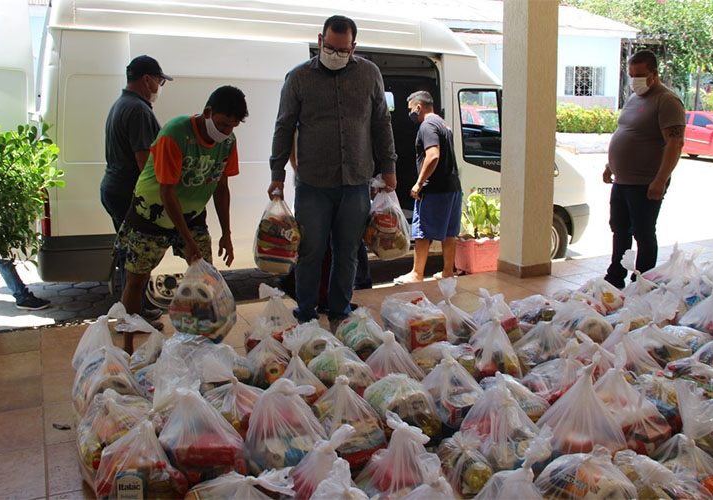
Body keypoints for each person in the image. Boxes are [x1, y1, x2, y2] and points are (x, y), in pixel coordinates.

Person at [268, 15, 396, 331]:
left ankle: (339, 311)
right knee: (310, 252)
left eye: (343, 50)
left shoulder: (369, 74)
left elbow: (381, 123)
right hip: (313, 184)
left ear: (353, 47)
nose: (335, 54)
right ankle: (307, 314)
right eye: (329, 47)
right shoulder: (298, 78)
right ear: (320, 40)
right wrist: (277, 174)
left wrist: (389, 167)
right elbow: (284, 127)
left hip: (356, 182)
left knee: (348, 252)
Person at [115, 86, 248, 353]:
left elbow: (221, 188)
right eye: (222, 124)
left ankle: (204, 345)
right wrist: (187, 241)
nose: (225, 132)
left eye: (232, 127)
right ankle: (127, 347)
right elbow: (167, 190)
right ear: (208, 112)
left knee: (205, 279)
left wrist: (227, 234)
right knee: (137, 280)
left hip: (192, 213)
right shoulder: (175, 133)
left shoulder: (227, 142)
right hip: (151, 213)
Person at [603, 50, 685, 289]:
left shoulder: (666, 100)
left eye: (640, 75)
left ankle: (643, 281)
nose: (635, 80)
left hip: (646, 182)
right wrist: (611, 165)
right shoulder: (634, 99)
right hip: (622, 179)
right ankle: (614, 277)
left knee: (643, 233)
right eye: (631, 75)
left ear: (654, 73)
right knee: (619, 229)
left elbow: (675, 143)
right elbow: (628, 133)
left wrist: (661, 179)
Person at [102, 55, 171, 323]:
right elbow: (145, 163)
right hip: (127, 192)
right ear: (147, 79)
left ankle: (136, 309)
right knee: (135, 256)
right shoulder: (139, 110)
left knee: (130, 254)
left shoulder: (123, 104)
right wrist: (161, 196)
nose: (159, 86)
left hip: (114, 187)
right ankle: (132, 316)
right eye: (160, 80)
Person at [394, 90, 462, 284]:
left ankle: (417, 273)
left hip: (435, 190)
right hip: (453, 188)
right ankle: (448, 271)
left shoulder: (427, 125)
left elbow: (433, 156)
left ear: (418, 107)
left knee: (422, 231)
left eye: (410, 110)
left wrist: (419, 183)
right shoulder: (443, 124)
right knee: (449, 232)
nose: (410, 114)